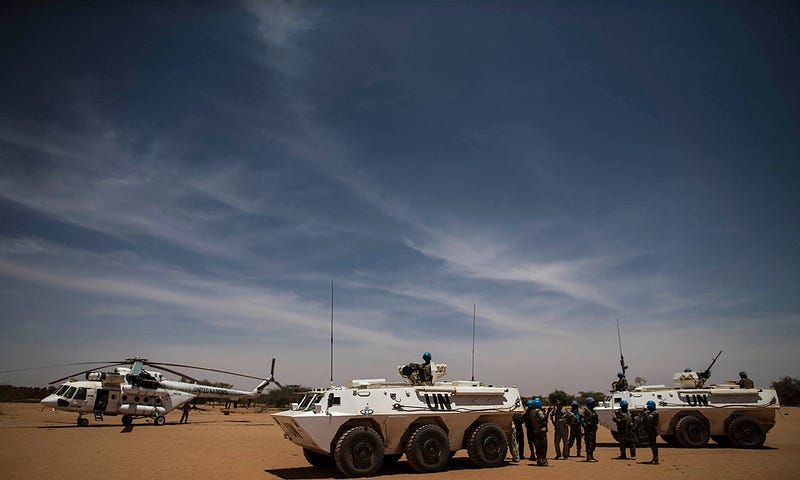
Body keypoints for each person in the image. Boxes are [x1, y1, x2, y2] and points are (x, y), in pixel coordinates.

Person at [527, 398, 549, 466]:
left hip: (535, 430)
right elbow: (543, 419)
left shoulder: (531, 412)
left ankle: (539, 461)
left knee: (538, 446)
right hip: (541, 430)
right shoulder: (538, 411)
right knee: (543, 446)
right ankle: (544, 462)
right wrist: (547, 413)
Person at [642, 400, 660, 464]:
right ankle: (655, 458)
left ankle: (656, 458)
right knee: (652, 445)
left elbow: (649, 419)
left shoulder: (655, 413)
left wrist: (645, 413)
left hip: (652, 430)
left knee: (653, 445)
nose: (647, 408)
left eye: (648, 406)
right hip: (650, 430)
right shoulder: (651, 412)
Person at [581, 397, 599, 462]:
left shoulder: (593, 411)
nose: (594, 404)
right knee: (589, 443)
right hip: (588, 430)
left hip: (593, 429)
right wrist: (585, 425)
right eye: (592, 403)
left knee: (593, 443)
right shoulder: (586, 411)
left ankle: (592, 456)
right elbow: (582, 419)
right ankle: (589, 457)